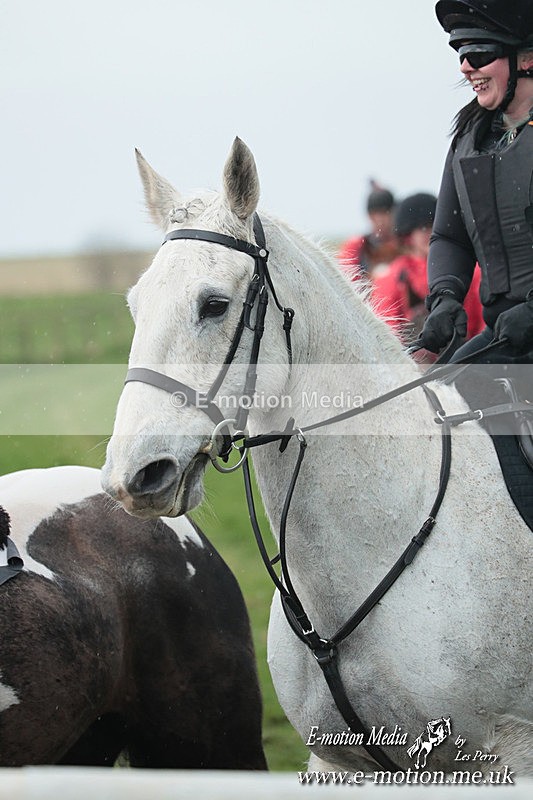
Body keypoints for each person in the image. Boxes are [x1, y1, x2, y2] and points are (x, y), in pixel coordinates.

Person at [419, 0, 533, 365]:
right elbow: (450, 236)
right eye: (461, 55)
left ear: (527, 59)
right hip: (503, 334)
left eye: (479, 53)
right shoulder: (469, 137)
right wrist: (445, 295)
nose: (467, 67)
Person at [372, 192, 483, 348]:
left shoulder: (473, 271)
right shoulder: (392, 278)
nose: (431, 232)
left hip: (465, 358)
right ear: (409, 236)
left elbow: (484, 322)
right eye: (424, 227)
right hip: (413, 363)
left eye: (435, 226)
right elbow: (385, 335)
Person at [338, 180, 401, 282]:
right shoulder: (357, 246)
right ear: (369, 216)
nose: (381, 219)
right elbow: (345, 282)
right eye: (376, 213)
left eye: (385, 212)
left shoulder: (403, 245)